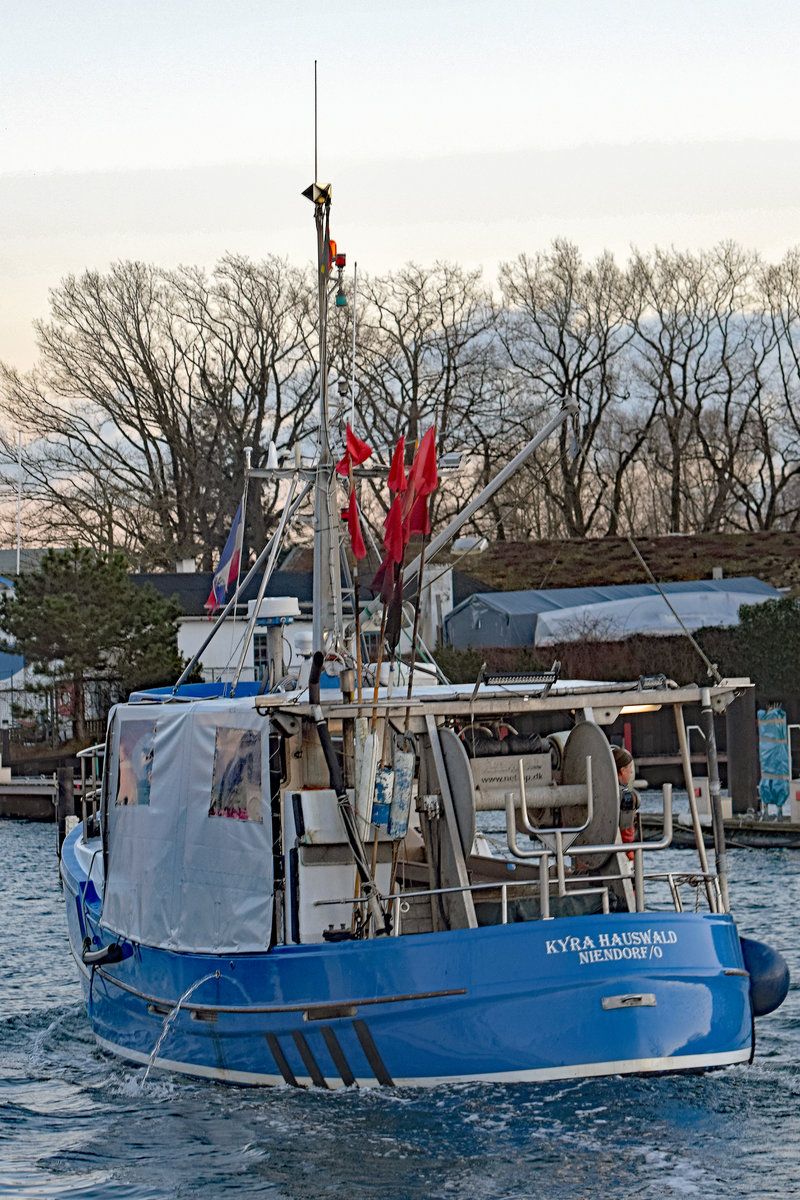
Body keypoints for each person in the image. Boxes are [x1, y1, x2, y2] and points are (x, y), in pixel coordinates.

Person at [612, 745, 638, 860]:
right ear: (622, 770)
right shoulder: (626, 797)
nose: (631, 771)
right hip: (621, 854)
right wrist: (630, 856)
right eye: (630, 767)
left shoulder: (605, 791)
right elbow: (626, 835)